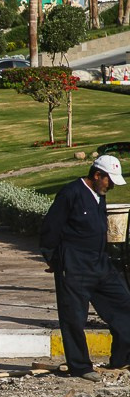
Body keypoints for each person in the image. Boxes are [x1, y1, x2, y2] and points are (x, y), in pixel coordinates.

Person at [40, 155, 130, 381]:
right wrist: (53, 259)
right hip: (74, 266)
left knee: (124, 306)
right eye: (109, 181)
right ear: (97, 175)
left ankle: (122, 358)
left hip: (101, 264)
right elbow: (51, 227)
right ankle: (80, 367)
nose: (110, 186)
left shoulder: (100, 195)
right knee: (73, 318)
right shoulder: (70, 193)